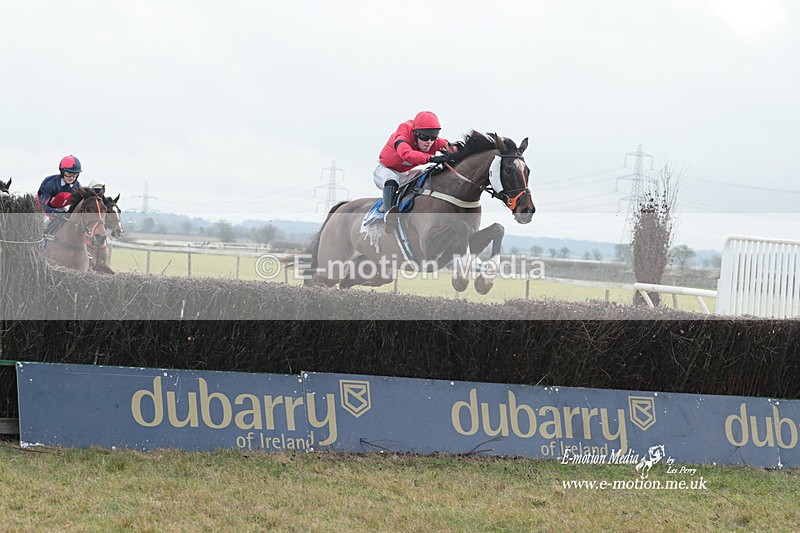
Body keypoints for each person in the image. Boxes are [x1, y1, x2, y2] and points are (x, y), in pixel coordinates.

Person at [373, 111, 454, 217]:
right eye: (425, 137)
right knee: (392, 180)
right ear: (416, 134)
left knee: (427, 174)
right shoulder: (403, 134)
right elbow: (406, 154)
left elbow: (451, 148)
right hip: (385, 170)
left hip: (406, 174)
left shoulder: (432, 141)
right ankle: (389, 214)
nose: (429, 142)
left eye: (433, 137)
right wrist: (432, 158)